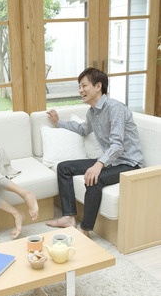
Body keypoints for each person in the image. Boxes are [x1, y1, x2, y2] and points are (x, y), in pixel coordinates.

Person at [46, 67, 144, 237]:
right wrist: (59, 122)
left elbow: (118, 145)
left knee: (94, 179)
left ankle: (85, 230)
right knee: (63, 168)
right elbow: (83, 129)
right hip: (111, 161)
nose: (80, 90)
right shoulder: (92, 112)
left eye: (84, 86)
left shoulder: (115, 108)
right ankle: (69, 217)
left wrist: (99, 164)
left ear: (98, 86)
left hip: (129, 163)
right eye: (79, 86)